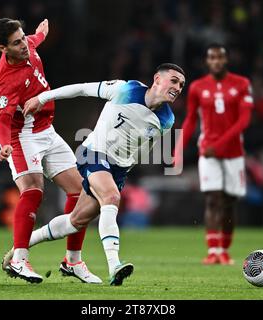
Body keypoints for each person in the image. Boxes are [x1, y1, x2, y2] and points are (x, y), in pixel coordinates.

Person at [14, 63, 186, 285]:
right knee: (112, 197)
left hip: (118, 169)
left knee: (76, 221)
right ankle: (114, 265)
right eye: (173, 80)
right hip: (93, 153)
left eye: (181, 84)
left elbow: (143, 148)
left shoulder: (167, 120)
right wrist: (44, 97)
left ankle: (20, 250)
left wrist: (126, 169)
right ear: (157, 79)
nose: (178, 87)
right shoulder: (125, 89)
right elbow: (82, 89)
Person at [0, 18, 101, 284]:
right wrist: (4, 143)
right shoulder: (6, 81)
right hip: (21, 136)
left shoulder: (27, 42)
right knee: (33, 190)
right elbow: (3, 120)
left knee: (82, 191)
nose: (24, 45)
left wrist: (40, 33)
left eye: (23, 38)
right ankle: (19, 259)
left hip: (47, 131)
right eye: (17, 43)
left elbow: (35, 38)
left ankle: (72, 262)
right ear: (2, 49)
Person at [174, 44, 253, 265]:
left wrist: (219, 144)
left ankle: (224, 250)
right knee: (212, 199)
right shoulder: (198, 87)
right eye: (212, 58)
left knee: (229, 202)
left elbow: (244, 121)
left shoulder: (242, 84)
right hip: (207, 152)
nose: (216, 61)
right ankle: (213, 251)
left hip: (233, 153)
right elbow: (190, 119)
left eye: (220, 57)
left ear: (225, 60)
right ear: (207, 62)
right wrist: (178, 148)